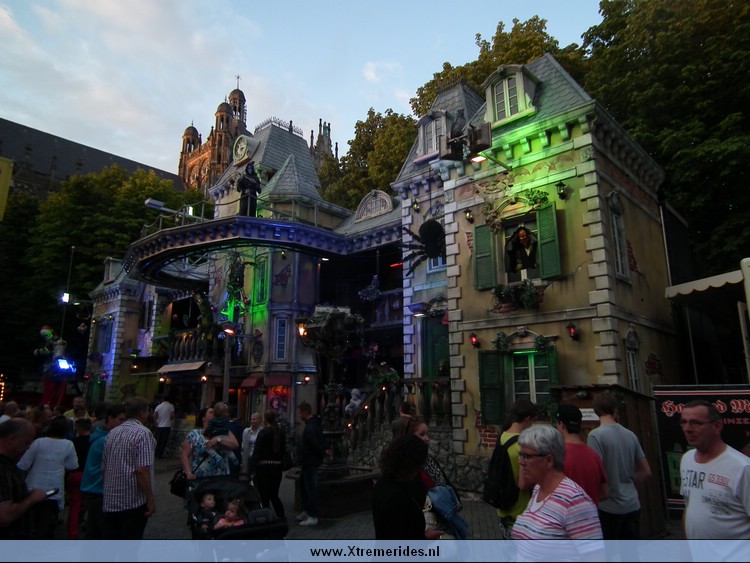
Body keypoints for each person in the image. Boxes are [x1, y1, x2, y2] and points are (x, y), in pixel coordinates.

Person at [511, 426, 603, 561]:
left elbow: (595, 557)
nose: (521, 462)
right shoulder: (538, 489)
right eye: (521, 455)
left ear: (549, 460)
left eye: (527, 456)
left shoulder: (574, 501)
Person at [680, 399, 750, 539]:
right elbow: (689, 506)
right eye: (683, 422)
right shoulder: (687, 459)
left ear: (717, 426)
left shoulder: (742, 468)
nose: (687, 429)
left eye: (696, 423)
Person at [587, 392, 651, 540]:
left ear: (596, 411)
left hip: (608, 506)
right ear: (615, 409)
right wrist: (629, 480)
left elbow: (596, 472)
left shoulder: (595, 436)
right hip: (632, 503)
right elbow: (646, 472)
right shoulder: (630, 435)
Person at [400, 416, 469, 539]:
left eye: (427, 434)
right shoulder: (407, 469)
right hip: (426, 527)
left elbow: (446, 483)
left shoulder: (430, 460)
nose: (427, 439)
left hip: (445, 519)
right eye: (422, 434)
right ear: (410, 438)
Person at [100, 397, 156, 540]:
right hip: (132, 500)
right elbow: (142, 470)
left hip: (111, 499)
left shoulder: (112, 433)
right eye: (147, 411)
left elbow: (104, 466)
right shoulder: (143, 433)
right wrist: (150, 498)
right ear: (142, 412)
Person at [372, 434, 444, 540]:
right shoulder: (395, 496)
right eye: (417, 466)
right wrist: (425, 539)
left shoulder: (384, 483)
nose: (418, 471)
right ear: (408, 464)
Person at [16, 415, 78, 538]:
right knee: (46, 522)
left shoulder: (39, 442)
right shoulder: (68, 445)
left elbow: (24, 464)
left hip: (34, 485)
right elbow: (72, 465)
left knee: (30, 520)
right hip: (54, 487)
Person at [80, 403, 126, 539]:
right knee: (107, 533)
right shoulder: (108, 440)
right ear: (110, 419)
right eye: (121, 419)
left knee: (93, 531)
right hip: (101, 491)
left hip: (93, 490)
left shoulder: (100, 435)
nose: (123, 424)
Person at [494, 398, 538, 539]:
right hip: (519, 512)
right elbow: (523, 484)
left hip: (503, 511)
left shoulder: (502, 437)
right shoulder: (522, 445)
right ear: (527, 419)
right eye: (532, 421)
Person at [180, 406, 240, 505]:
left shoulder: (224, 430)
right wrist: (188, 472)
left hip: (220, 478)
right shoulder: (194, 434)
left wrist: (219, 439)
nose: (214, 414)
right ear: (203, 418)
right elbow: (184, 455)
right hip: (200, 479)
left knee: (221, 505)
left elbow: (235, 444)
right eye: (211, 412)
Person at [0, 418, 48, 539]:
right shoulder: (3, 468)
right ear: (13, 439)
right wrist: (32, 499)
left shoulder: (9, 464)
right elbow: (4, 516)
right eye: (26, 443)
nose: (28, 448)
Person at [556, 403, 608, 505]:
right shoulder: (594, 455)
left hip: (566, 513)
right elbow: (605, 493)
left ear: (561, 425)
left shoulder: (557, 456)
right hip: (591, 513)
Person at [295, 401, 327, 527]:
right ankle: (306, 510)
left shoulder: (310, 428)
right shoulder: (313, 425)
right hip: (308, 461)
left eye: (300, 412)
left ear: (304, 412)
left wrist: (323, 451)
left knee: (310, 488)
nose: (299, 415)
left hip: (310, 462)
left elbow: (314, 444)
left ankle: (313, 515)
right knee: (304, 485)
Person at [250, 410, 287, 518]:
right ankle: (281, 517)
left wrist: (251, 469)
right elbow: (283, 450)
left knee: (264, 495)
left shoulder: (263, 433)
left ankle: (267, 518)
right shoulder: (280, 432)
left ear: (265, 420)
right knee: (274, 494)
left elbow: (256, 452)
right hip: (277, 467)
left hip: (264, 468)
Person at [67, 416, 92, 539]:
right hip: (90, 474)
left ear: (79, 428)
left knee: (75, 505)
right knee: (89, 503)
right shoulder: (93, 441)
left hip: (76, 473)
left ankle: (73, 532)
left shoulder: (73, 442)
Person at [240, 411, 262, 477]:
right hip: (248, 457)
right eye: (251, 419)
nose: (252, 421)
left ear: (259, 420)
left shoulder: (262, 431)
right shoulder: (246, 431)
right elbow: (243, 446)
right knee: (246, 476)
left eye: (254, 419)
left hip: (258, 458)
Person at [153, 395, 175, 459]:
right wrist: (170, 418)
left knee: (158, 440)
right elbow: (172, 415)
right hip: (167, 426)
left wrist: (155, 423)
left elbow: (154, 415)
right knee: (163, 441)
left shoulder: (159, 406)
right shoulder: (171, 406)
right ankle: (160, 454)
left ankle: (155, 453)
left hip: (159, 426)